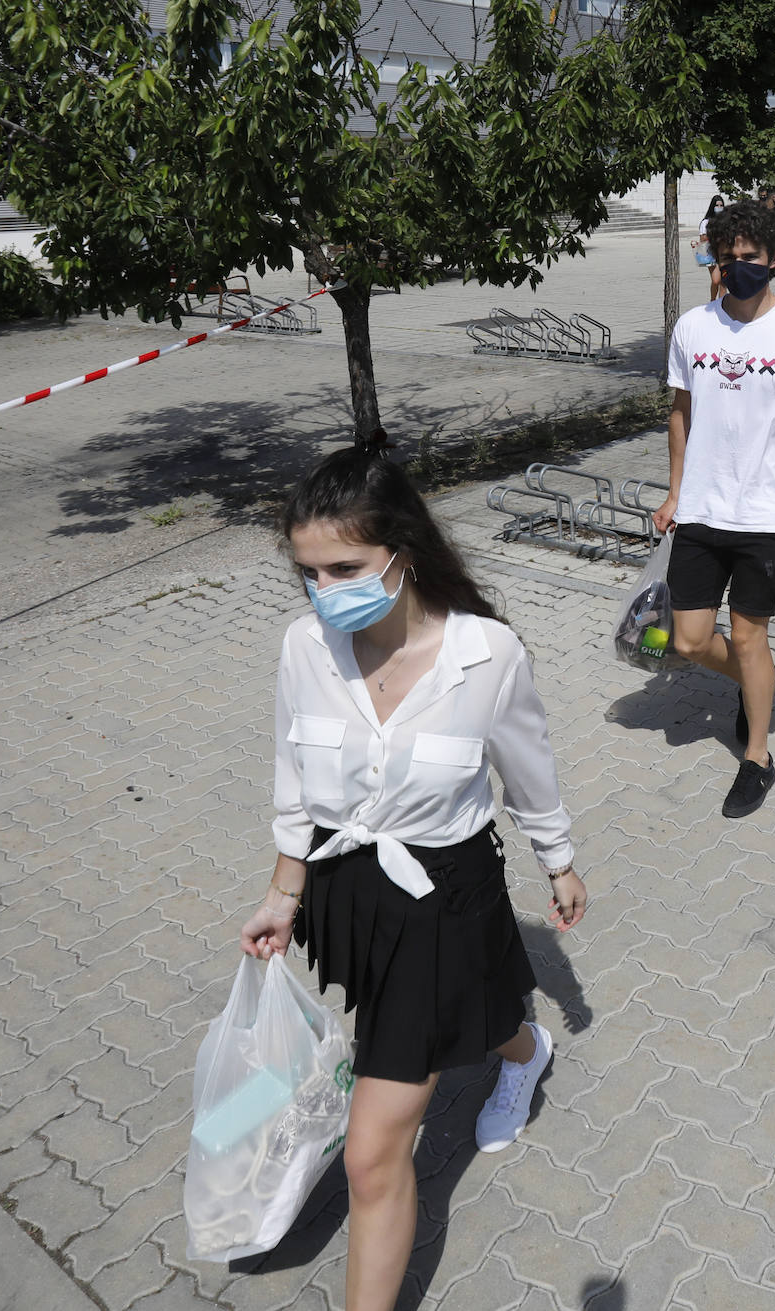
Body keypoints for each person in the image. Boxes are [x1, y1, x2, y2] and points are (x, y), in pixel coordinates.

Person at [240, 446, 586, 1311]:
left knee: (370, 1155)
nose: (325, 590)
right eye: (309, 571)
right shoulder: (303, 648)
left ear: (401, 549)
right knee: (479, 1004)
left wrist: (559, 857)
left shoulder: (487, 654)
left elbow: (528, 766)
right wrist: (285, 891)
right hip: (344, 884)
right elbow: (292, 775)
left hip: (445, 890)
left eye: (345, 567)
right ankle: (524, 1044)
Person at [652, 198, 775, 818]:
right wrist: (676, 491)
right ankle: (759, 684)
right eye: (727, 258)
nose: (737, 268)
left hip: (766, 518)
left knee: (751, 637)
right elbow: (681, 414)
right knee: (688, 640)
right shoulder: (692, 328)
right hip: (703, 511)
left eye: (750, 258)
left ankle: (756, 756)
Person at [695, 195, 726, 301]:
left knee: (724, 281)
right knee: (716, 280)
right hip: (710, 253)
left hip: (724, 253)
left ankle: (722, 304)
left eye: (721, 205)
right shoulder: (706, 222)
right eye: (717, 205)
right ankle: (712, 300)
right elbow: (702, 238)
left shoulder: (725, 220)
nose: (719, 207)